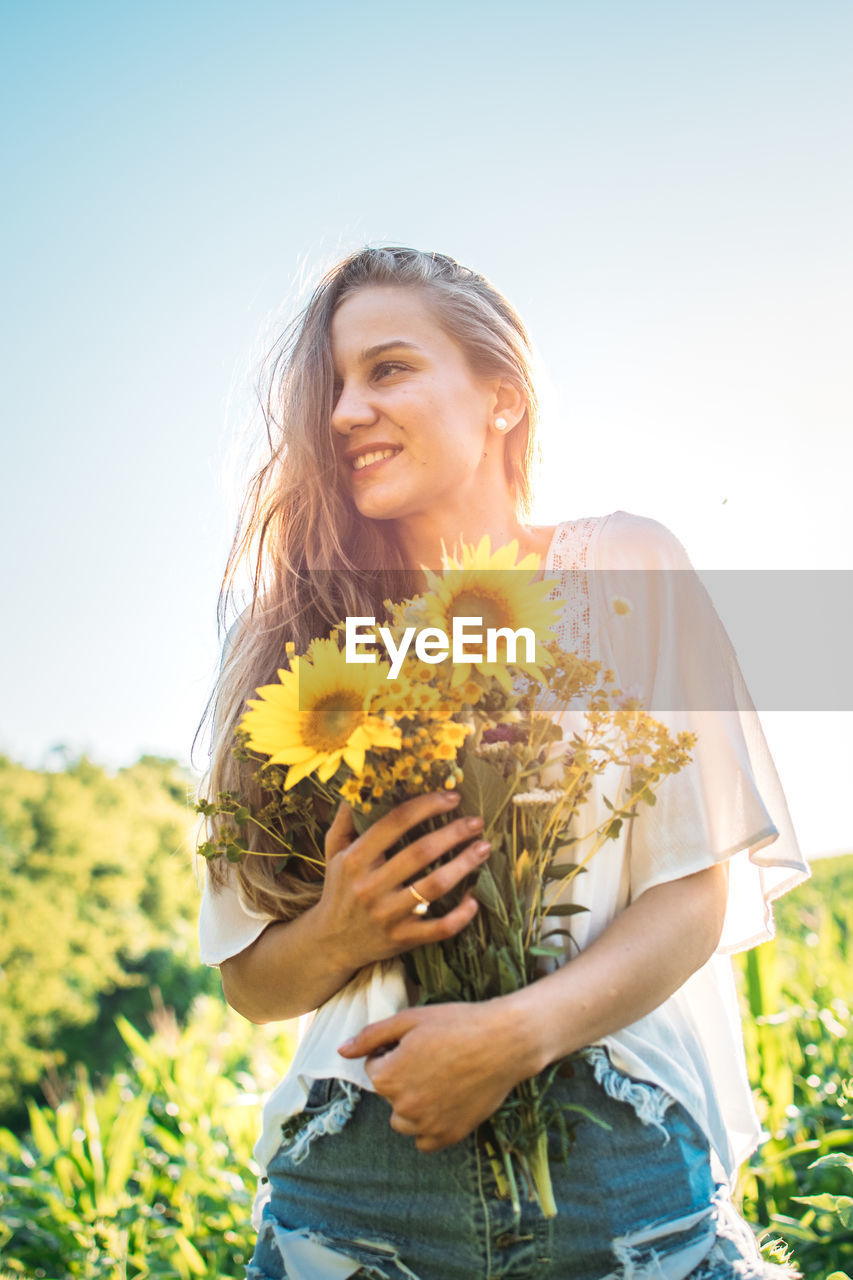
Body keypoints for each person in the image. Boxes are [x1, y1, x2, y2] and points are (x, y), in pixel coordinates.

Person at [198, 246, 808, 1279]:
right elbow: (252, 979)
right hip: (356, 1175)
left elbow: (695, 890)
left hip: (610, 1159)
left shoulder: (622, 563)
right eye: (332, 387)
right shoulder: (288, 632)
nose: (346, 412)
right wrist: (342, 924)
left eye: (388, 369)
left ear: (502, 397)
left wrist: (510, 1036)